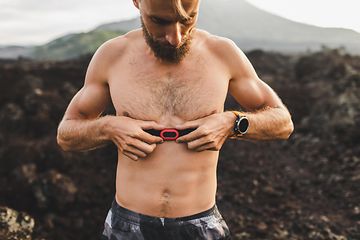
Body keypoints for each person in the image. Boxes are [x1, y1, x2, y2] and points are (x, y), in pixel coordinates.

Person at [56, 0, 294, 239]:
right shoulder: (112, 56)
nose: (176, 38)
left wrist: (233, 123)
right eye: (160, 22)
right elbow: (66, 135)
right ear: (137, 3)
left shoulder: (223, 54)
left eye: (188, 19)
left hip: (201, 225)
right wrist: (108, 127)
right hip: (128, 227)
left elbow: (282, 122)